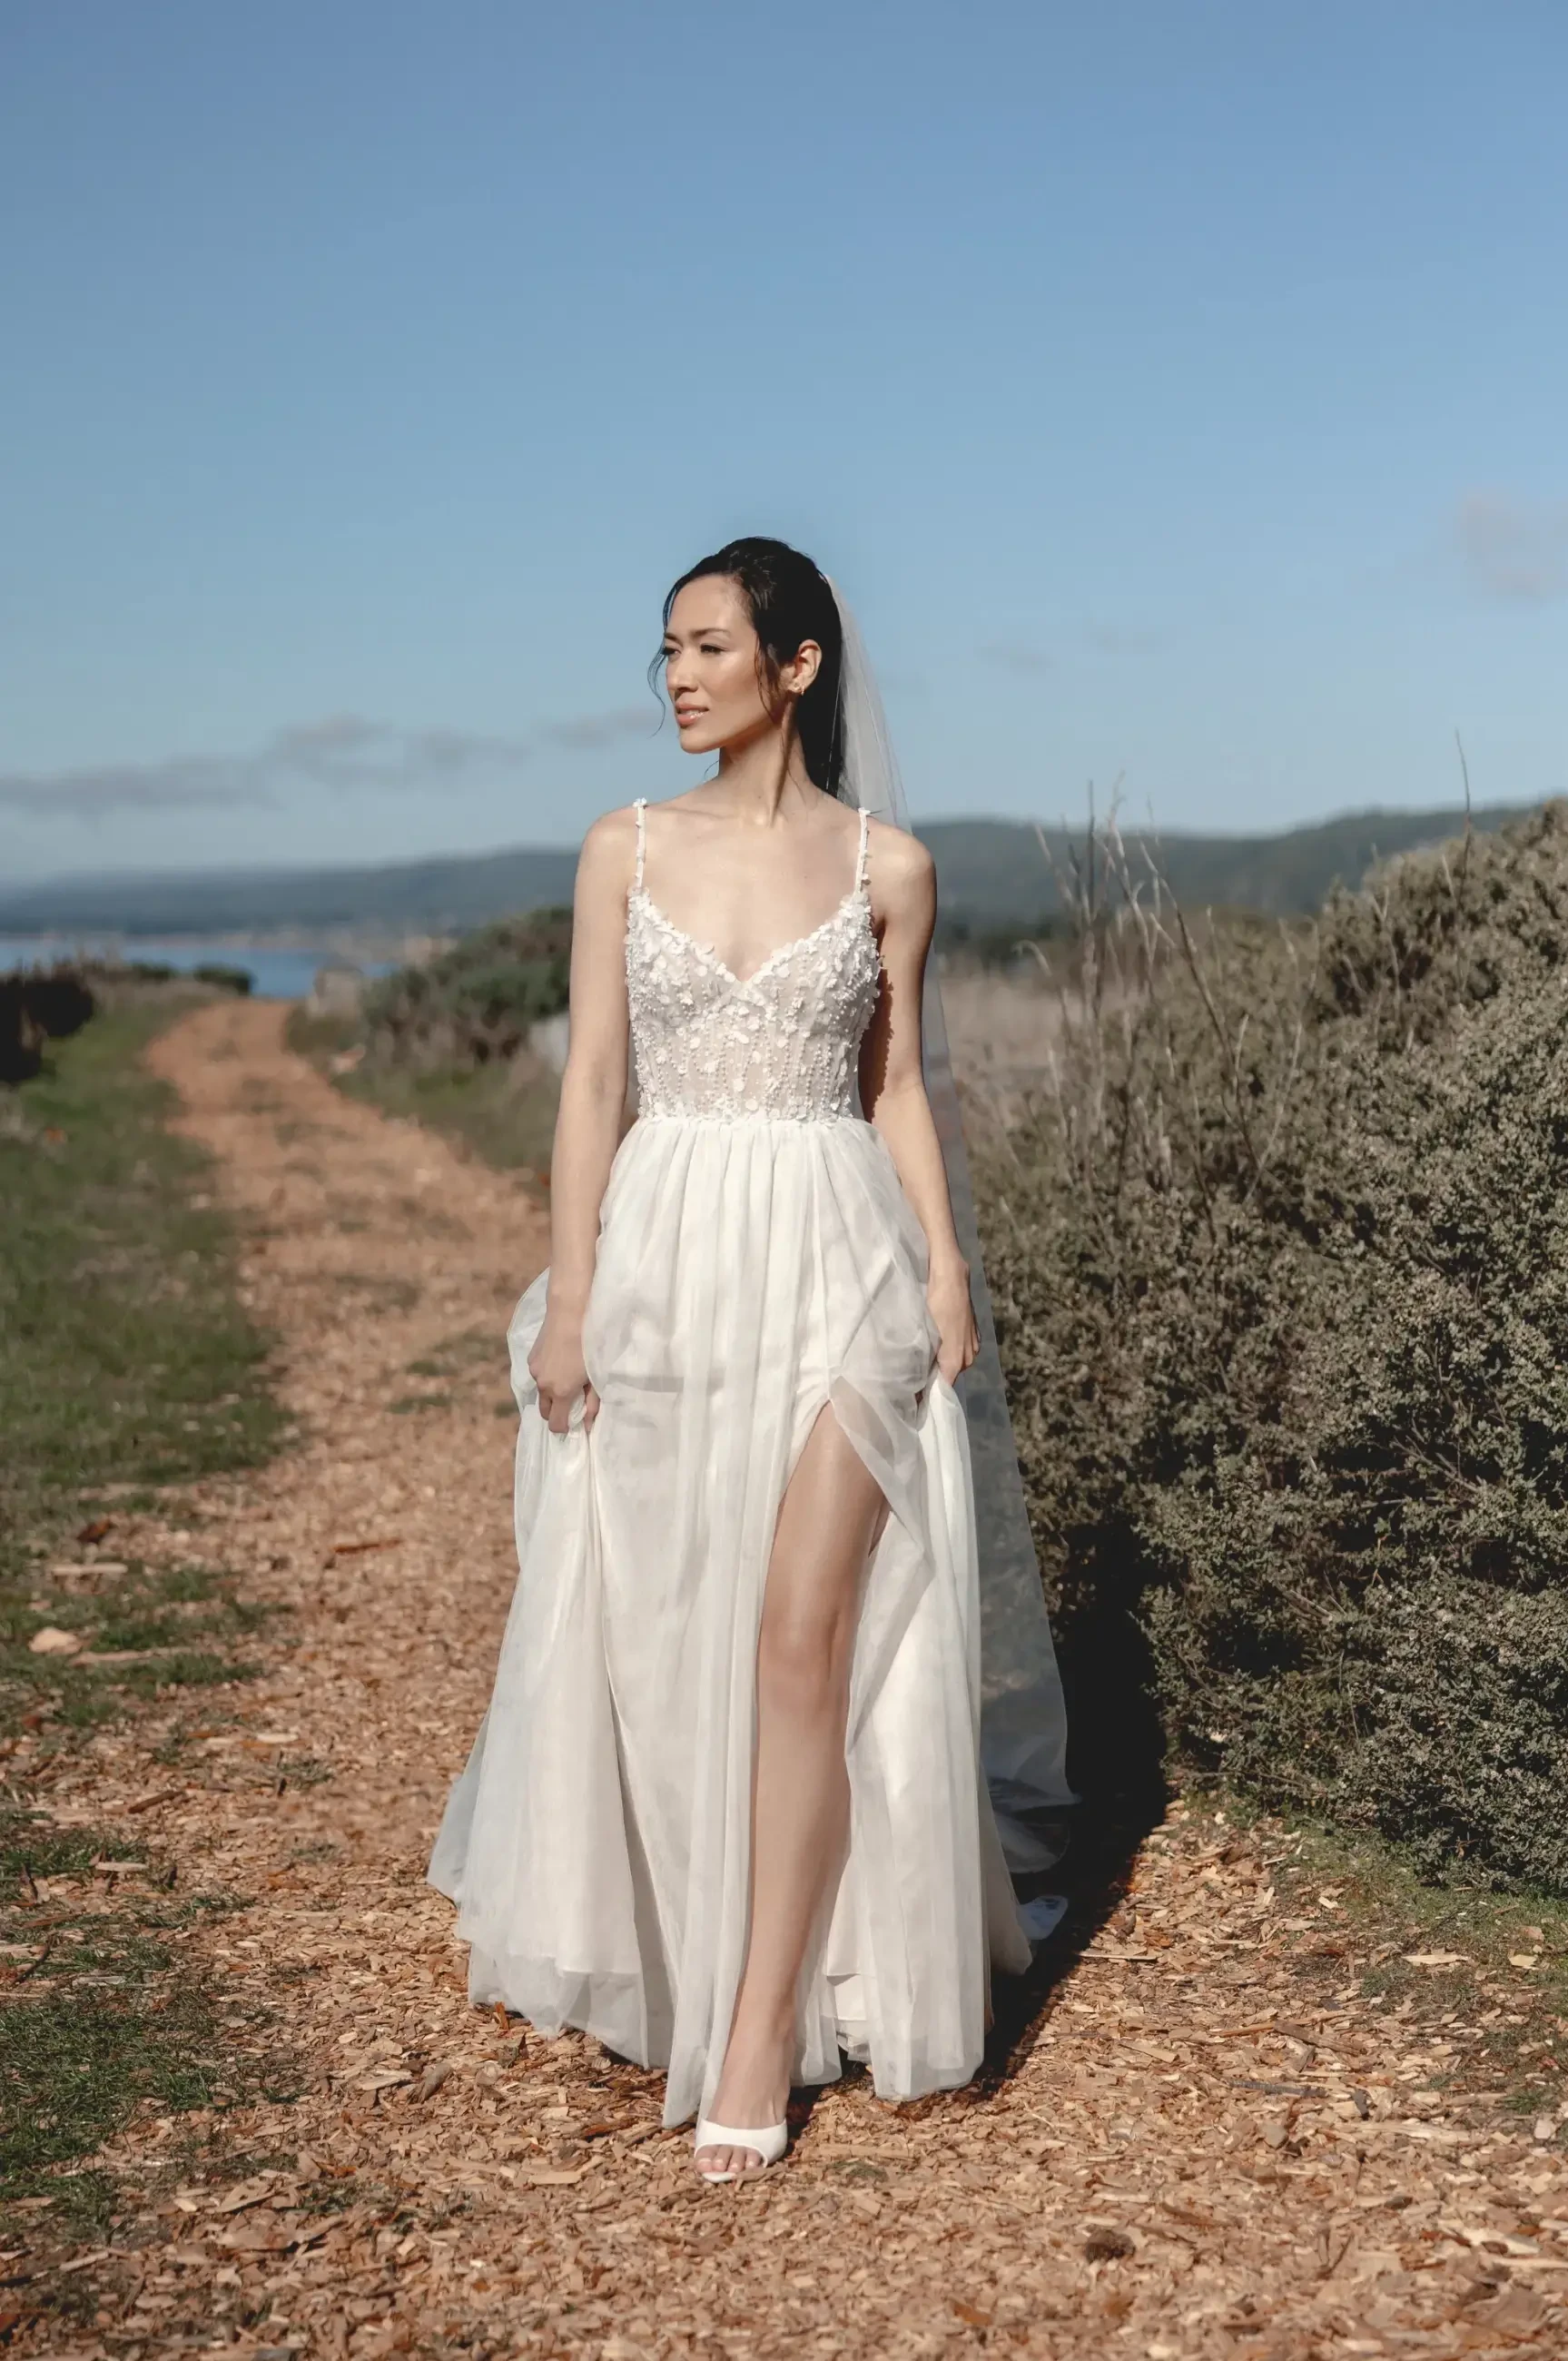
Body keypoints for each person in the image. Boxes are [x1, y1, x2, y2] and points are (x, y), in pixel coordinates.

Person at [429, 537, 1070, 2184]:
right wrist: (571, 1301)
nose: (677, 677)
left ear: (794, 668)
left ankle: (760, 2026)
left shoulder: (891, 868)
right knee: (664, 1618)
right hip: (663, 1254)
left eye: (709, 647)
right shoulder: (621, 850)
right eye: (664, 651)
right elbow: (589, 1093)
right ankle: (682, 1935)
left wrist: (942, 1267)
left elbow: (896, 1089)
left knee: (804, 1636)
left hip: (840, 1257)